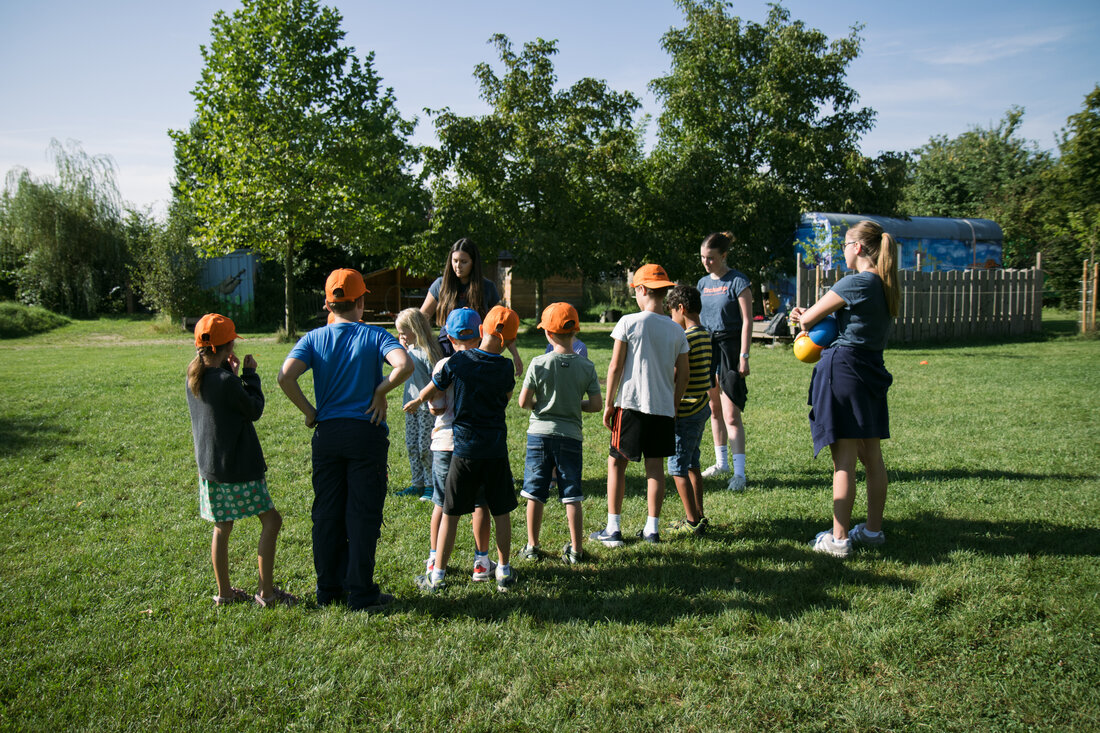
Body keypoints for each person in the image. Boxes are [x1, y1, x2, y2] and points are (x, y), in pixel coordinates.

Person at [277, 268, 412, 611]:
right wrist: (381, 390)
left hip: (328, 436)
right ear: (362, 302)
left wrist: (310, 412)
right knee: (362, 514)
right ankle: (362, 594)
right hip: (366, 433)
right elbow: (404, 365)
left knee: (326, 514)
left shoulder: (312, 338)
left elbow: (285, 377)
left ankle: (329, 590)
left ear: (328, 304)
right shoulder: (374, 336)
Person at [789, 220, 899, 558]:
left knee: (845, 461)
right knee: (873, 458)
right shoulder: (884, 284)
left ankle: (838, 541)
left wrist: (801, 317)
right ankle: (872, 531)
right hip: (870, 370)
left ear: (858, 248)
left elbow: (807, 321)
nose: (843, 252)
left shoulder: (855, 282)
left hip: (844, 371)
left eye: (844, 246)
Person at [405, 305, 521, 592]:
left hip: (462, 451)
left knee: (449, 511)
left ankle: (438, 574)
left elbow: (435, 390)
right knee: (499, 510)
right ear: (507, 342)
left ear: (483, 331)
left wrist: (419, 400)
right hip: (495, 451)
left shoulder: (456, 363)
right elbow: (506, 397)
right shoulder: (506, 367)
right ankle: (502, 571)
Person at [185, 313, 296, 607]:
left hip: (211, 469)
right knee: (272, 521)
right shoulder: (225, 381)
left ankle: (224, 594)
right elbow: (254, 409)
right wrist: (249, 376)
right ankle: (267, 594)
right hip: (239, 468)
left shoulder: (195, 376)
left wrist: (233, 378)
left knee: (222, 526)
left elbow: (226, 406)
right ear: (229, 345)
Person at [591, 264, 689, 546]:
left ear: (642, 290)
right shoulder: (676, 330)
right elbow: (684, 374)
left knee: (616, 463)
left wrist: (609, 403)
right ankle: (652, 529)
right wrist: (674, 403)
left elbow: (615, 367)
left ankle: (613, 528)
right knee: (655, 468)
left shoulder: (628, 322)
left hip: (630, 405)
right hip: (662, 409)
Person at [517, 303, 602, 564]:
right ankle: (576, 550)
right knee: (572, 493)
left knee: (535, 491)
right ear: (576, 331)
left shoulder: (538, 363)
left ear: (547, 334)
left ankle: (532, 546)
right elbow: (597, 405)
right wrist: (576, 405)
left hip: (539, 436)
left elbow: (523, 402)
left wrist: (540, 406)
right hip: (571, 437)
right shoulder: (586, 366)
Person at [421, 308, 497, 582]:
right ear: (480, 334)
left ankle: (434, 559)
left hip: (445, 442)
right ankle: (481, 561)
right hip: (477, 444)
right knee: (480, 503)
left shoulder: (444, 366)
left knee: (441, 502)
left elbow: (437, 407)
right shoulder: (488, 363)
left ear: (450, 339)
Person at [696, 231, 753, 491]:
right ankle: (721, 463)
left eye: (711, 258)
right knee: (714, 410)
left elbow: (748, 321)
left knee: (731, 414)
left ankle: (739, 474)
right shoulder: (702, 284)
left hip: (730, 347)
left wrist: (744, 356)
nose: (707, 263)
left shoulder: (738, 281)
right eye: (703, 258)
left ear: (724, 255)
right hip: (708, 348)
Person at [420, 237, 523, 375]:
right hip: (447, 346)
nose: (458, 265)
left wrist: (515, 354)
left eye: (464, 262)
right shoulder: (440, 285)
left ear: (473, 263)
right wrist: (418, 343)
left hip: (477, 348)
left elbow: (502, 323)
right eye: (455, 261)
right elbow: (421, 318)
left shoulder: (487, 287)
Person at [665, 285, 712, 536]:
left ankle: (692, 522)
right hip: (702, 407)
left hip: (686, 411)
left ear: (680, 309)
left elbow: (677, 375)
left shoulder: (686, 339)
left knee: (677, 467)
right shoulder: (705, 334)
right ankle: (699, 513)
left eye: (672, 313)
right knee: (693, 463)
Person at [393, 308, 443, 500]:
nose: (401, 336)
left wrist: (423, 399)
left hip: (426, 409)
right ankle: (417, 483)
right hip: (411, 408)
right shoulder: (409, 351)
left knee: (425, 447)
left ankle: (431, 484)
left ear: (415, 329)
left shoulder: (428, 352)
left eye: (404, 332)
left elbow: (438, 381)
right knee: (412, 446)